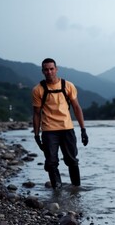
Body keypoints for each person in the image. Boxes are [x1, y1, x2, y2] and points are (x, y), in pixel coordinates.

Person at [32, 58, 89, 189]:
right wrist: (36, 135)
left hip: (67, 128)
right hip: (49, 130)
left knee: (72, 161)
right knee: (51, 162)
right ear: (42, 71)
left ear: (56, 69)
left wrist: (83, 129)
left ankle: (76, 189)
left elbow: (76, 107)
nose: (49, 72)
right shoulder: (38, 90)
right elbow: (36, 113)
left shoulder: (68, 86)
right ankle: (57, 191)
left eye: (51, 69)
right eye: (46, 69)